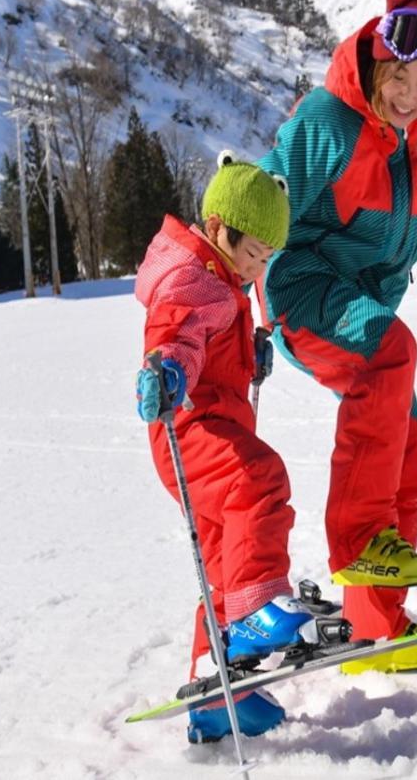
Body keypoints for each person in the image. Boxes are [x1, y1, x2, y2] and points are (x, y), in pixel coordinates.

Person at [257, 0, 417, 674]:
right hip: (303, 289)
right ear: (375, 58)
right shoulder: (328, 122)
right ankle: (360, 542)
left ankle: (375, 628)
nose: (408, 97)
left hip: (362, 310)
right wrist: (234, 306)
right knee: (392, 351)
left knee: (410, 454)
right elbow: (261, 203)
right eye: (399, 78)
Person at [133, 152, 313, 743]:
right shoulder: (192, 278)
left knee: (221, 562)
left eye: (266, 258)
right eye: (250, 252)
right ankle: (253, 612)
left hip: (213, 427)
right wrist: (170, 369)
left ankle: (215, 694)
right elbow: (177, 333)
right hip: (188, 430)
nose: (255, 266)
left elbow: (211, 338)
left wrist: (247, 358)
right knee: (260, 479)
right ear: (217, 228)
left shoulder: (222, 279)